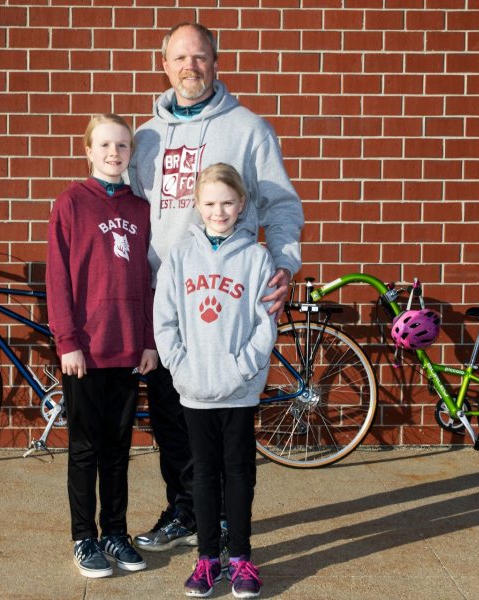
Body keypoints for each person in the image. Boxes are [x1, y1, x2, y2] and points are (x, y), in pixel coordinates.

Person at [128, 21, 304, 554]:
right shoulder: (145, 137)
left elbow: (282, 204)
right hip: (167, 297)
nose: (190, 67)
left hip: (228, 303)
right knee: (170, 415)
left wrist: (283, 265)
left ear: (216, 62)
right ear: (164, 65)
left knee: (228, 426)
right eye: (180, 58)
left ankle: (228, 521)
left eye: (200, 57)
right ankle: (185, 510)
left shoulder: (249, 129)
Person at [153, 163, 275, 598]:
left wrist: (243, 368)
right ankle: (207, 560)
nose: (218, 211)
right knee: (203, 474)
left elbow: (266, 323)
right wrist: (180, 367)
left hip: (240, 390)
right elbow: (164, 320)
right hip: (195, 389)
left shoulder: (257, 258)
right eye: (210, 203)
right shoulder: (180, 258)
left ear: (241, 205)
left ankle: (241, 559)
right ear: (197, 206)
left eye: (227, 203)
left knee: (240, 472)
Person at [46, 113, 159, 579]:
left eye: (123, 146)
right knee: (86, 448)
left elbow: (154, 281)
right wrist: (67, 341)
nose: (115, 154)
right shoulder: (71, 203)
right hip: (86, 351)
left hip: (129, 347)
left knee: (118, 449)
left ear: (132, 154)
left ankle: (115, 530)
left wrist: (150, 341)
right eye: (106, 145)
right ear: (88, 151)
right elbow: (58, 279)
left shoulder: (141, 208)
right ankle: (83, 537)